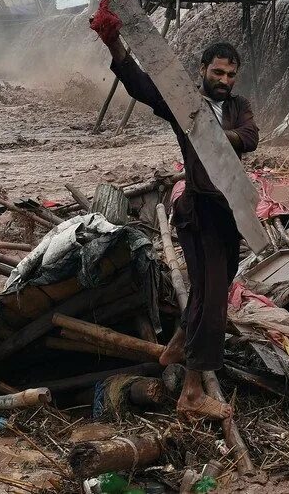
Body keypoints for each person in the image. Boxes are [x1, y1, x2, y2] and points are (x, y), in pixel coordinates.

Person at [106, 40, 257, 421]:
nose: (224, 80)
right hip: (199, 211)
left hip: (230, 212)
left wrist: (216, 135)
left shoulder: (238, 107)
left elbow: (251, 136)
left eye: (231, 75)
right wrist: (116, 46)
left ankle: (176, 343)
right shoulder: (184, 104)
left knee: (219, 286)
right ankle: (191, 392)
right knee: (211, 301)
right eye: (218, 72)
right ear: (203, 68)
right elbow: (143, 86)